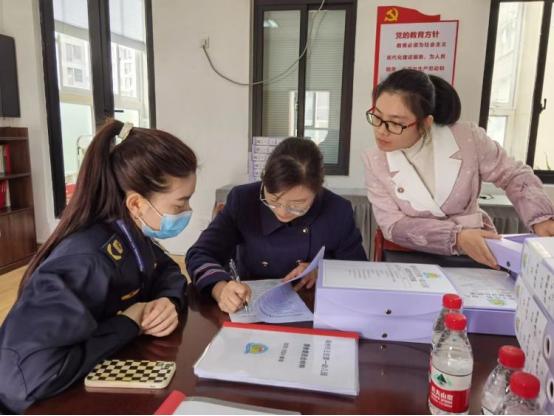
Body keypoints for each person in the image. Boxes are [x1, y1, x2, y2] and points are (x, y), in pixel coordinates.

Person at [0, 119, 197, 413]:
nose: (187, 212)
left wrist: (166, 300)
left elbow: (166, 270)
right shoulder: (86, 261)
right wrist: (129, 323)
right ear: (136, 204)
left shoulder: (131, 235)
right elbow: (31, 377)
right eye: (180, 205)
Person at [363, 68, 554, 268]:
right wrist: (456, 237)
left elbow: (513, 174)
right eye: (376, 117)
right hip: (410, 258)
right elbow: (393, 225)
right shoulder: (375, 160)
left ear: (426, 123)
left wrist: (541, 217)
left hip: (476, 251)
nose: (380, 130)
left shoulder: (467, 139)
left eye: (395, 123)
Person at [186, 137, 367, 314]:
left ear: (318, 190)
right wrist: (220, 289)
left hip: (314, 310)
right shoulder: (244, 200)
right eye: (273, 200)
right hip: (249, 306)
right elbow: (199, 254)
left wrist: (323, 272)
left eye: (296, 205)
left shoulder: (337, 211)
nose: (282, 212)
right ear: (264, 181)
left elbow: (357, 270)